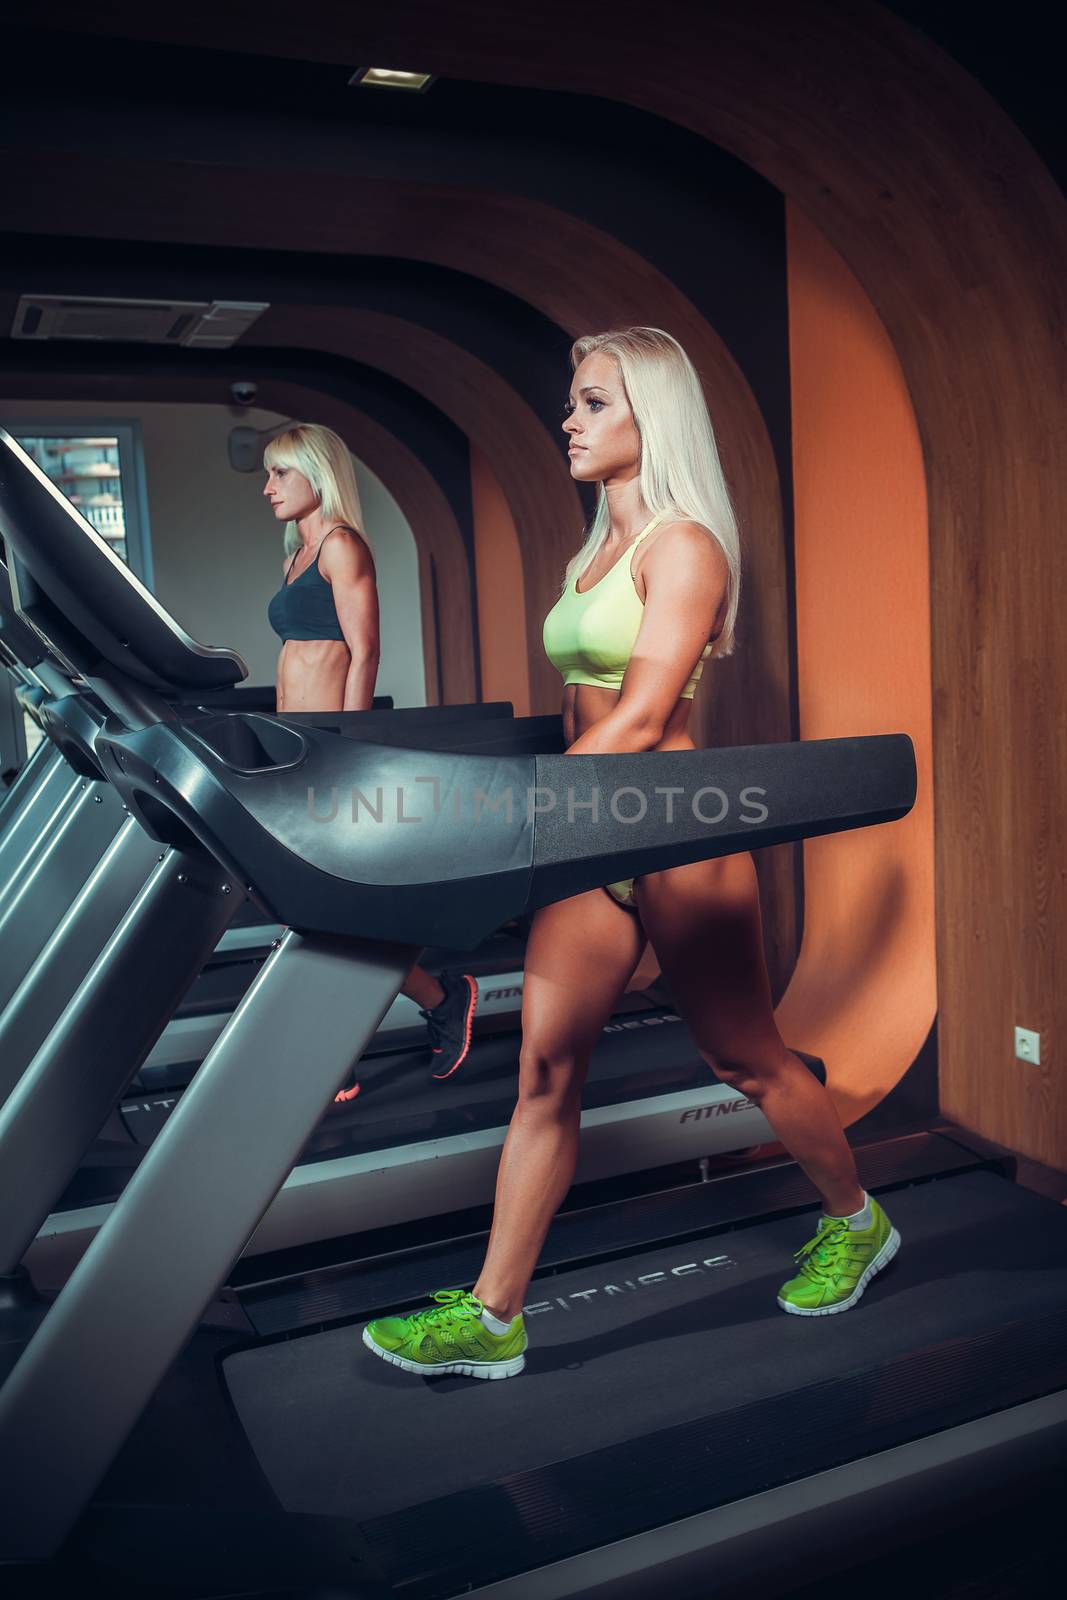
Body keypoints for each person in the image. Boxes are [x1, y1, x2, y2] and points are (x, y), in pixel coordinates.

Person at [362, 328, 900, 1379]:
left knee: (744, 1057)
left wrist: (510, 815)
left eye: (593, 402)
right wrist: (536, 812)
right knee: (543, 1070)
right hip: (589, 828)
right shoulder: (590, 553)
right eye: (573, 401)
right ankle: (492, 1317)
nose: (569, 418)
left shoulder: (684, 545)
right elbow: (578, 711)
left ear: (650, 418)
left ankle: (857, 1220)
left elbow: (647, 714)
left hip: (673, 823)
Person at [263, 423, 477, 1093]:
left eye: (280, 475)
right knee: (315, 909)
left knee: (316, 908)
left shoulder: (340, 546)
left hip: (335, 747)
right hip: (296, 747)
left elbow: (365, 650)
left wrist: (348, 748)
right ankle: (440, 998)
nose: (267, 489)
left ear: (316, 477)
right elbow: (295, 657)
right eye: (266, 476)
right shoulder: (295, 554)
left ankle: (348, 1053)